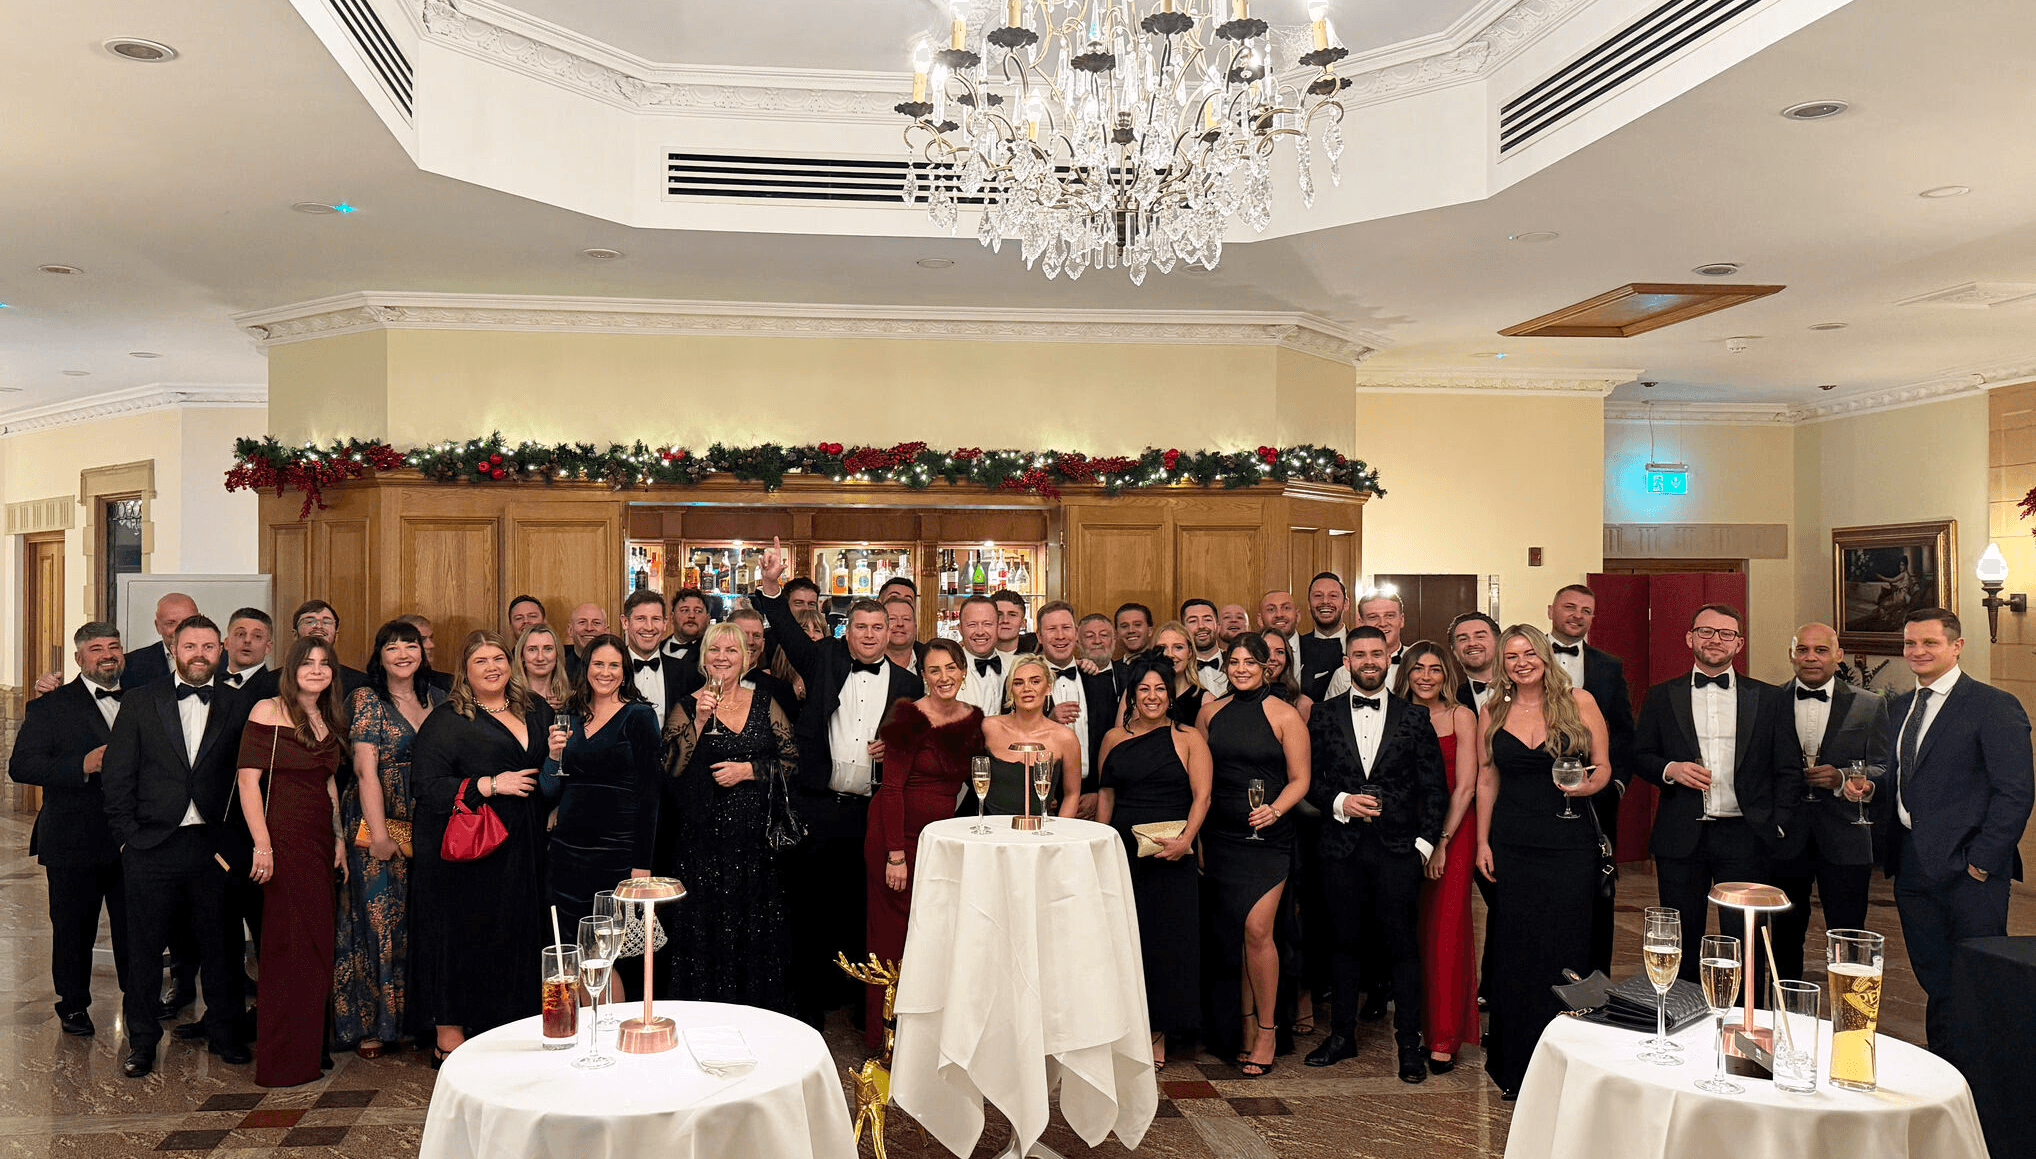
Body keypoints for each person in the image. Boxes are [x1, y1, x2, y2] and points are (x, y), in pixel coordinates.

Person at [752, 538, 922, 1028]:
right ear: (847, 632)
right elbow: (783, 627)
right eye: (861, 627)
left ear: (892, 632)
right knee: (810, 903)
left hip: (870, 810)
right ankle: (809, 1003)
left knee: (859, 905)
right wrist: (771, 583)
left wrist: (896, 748)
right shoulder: (822, 659)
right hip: (817, 803)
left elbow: (916, 746)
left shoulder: (910, 685)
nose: (870, 636)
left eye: (879, 627)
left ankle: (857, 1002)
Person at [101, 614, 252, 1078]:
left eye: (209, 646)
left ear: (220, 650)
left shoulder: (242, 704)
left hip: (214, 847)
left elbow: (252, 781)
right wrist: (129, 838)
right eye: (191, 646)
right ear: (174, 648)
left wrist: (239, 845)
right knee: (144, 951)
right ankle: (142, 1042)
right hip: (151, 845)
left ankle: (226, 1035)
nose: (200, 654)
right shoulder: (142, 701)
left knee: (222, 947)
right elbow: (117, 774)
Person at [1884, 608, 2033, 1056]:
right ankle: (1947, 1067)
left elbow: (2015, 793)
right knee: (1935, 978)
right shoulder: (1898, 708)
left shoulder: (1993, 705)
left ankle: (1985, 1081)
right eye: (1911, 643)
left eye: (1930, 642)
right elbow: (1905, 779)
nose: (1918, 651)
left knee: (1978, 980)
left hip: (1971, 873)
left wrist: (1982, 864)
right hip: (1912, 865)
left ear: (1956, 646)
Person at [1302, 629, 1447, 1083]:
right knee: (1343, 944)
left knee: (1401, 947)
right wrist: (1339, 802)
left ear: (1390, 659)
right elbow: (1309, 778)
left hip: (1398, 850)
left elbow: (1434, 787)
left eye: (1377, 654)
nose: (1369, 661)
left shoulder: (1415, 717)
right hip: (1340, 847)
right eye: (1360, 654)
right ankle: (1342, 1037)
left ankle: (1408, 1044)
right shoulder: (1323, 715)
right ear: (1347, 661)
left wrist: (1423, 845)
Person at [1475, 624, 1612, 1098]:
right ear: (1502, 664)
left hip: (1570, 840)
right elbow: (1486, 780)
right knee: (1516, 953)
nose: (1521, 662)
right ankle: (1516, 1065)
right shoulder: (1492, 709)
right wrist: (1481, 843)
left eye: (1528, 652)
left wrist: (1589, 786)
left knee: (1567, 950)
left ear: (1544, 655)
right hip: (1512, 843)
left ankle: (1568, 1067)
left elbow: (1604, 768)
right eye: (1511, 656)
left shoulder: (1580, 701)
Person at [410, 631, 554, 1063]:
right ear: (465, 672)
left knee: (518, 933)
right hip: (472, 850)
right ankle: (449, 1037)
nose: (492, 667)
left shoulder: (536, 707)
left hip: (526, 842)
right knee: (466, 936)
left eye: (498, 658)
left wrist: (559, 759)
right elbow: (426, 787)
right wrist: (490, 784)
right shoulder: (448, 719)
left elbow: (551, 772)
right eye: (480, 661)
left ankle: (511, 1030)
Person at [1633, 603, 1789, 986]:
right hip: (1681, 831)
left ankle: (1744, 1025)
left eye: (1725, 634)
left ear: (1739, 643)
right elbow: (1640, 755)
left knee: (1745, 940)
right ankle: (1682, 1020)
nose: (1714, 640)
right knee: (1678, 938)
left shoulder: (1768, 699)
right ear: (1689, 638)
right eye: (1705, 631)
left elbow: (1787, 769)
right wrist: (1670, 769)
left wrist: (1778, 824)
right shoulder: (1661, 696)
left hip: (1746, 834)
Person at [663, 622, 798, 1012]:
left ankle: (754, 1012)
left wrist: (749, 770)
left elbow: (791, 761)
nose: (722, 657)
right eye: (714, 650)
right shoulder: (686, 706)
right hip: (701, 839)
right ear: (703, 658)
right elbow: (669, 767)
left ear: (747, 658)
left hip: (755, 840)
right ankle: (704, 1013)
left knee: (754, 923)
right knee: (705, 925)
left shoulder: (764, 703)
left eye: (732, 651)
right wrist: (700, 721)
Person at [1197, 633, 1311, 1078]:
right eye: (1235, 661)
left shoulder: (1285, 715)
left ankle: (1267, 1031)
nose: (1241, 668)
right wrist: (1200, 835)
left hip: (1269, 839)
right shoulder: (1210, 714)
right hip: (1221, 835)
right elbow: (1202, 781)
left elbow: (1301, 779)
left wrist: (1275, 809)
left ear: (1268, 666)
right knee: (1232, 935)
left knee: (1257, 929)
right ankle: (1242, 1030)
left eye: (1251, 661)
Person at [235, 636, 348, 1087]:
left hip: (320, 841)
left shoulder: (328, 717)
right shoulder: (267, 709)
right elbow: (247, 783)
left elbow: (329, 785)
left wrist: (339, 837)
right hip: (282, 838)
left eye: (325, 664)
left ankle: (311, 1048)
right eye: (308, 663)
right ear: (292, 668)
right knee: (286, 946)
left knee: (317, 945)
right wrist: (262, 844)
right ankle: (283, 1061)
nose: (317, 670)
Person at [9, 622, 131, 1037]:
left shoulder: (142, 701)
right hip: (72, 839)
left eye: (113, 646)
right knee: (73, 927)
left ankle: (138, 1002)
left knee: (135, 926)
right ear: (79, 659)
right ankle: (74, 1005)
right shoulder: (49, 707)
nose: (107, 654)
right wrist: (82, 765)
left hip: (133, 838)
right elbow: (21, 767)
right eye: (96, 649)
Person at [867, 640, 983, 1049]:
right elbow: (893, 788)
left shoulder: (975, 720)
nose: (944, 677)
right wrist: (895, 854)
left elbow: (980, 780)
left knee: (934, 933)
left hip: (940, 841)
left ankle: (928, 1032)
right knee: (893, 934)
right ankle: (887, 1036)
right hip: (896, 838)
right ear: (923, 675)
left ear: (963, 670)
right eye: (934, 670)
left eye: (951, 668)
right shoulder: (908, 716)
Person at [335, 618, 443, 1059]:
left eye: (411, 645)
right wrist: (379, 834)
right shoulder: (366, 698)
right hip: (375, 824)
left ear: (423, 652)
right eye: (392, 646)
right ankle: (372, 1026)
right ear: (379, 655)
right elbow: (365, 770)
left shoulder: (436, 698)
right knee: (379, 922)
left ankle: (416, 1019)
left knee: (420, 922)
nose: (403, 654)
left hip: (428, 827)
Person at [1097, 656, 1212, 1070]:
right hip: (1122, 854)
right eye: (1143, 689)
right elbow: (1107, 797)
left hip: (1170, 852)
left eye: (1160, 689)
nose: (1152, 696)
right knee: (1123, 942)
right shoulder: (1112, 738)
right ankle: (1119, 1029)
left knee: (1165, 945)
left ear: (1171, 694)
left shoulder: (1188, 738)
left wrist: (1185, 842)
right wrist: (1099, 848)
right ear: (1131, 694)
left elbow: (1203, 797)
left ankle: (1157, 1031)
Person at [1763, 622, 1890, 983]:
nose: (1811, 657)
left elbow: (1883, 767)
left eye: (1821, 650)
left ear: (1838, 655)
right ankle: (1787, 1016)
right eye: (1803, 649)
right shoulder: (1770, 702)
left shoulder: (1870, 705)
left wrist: (1844, 779)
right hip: (1786, 837)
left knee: (1850, 935)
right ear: (1792, 655)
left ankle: (1852, 1021)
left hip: (1846, 836)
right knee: (1784, 935)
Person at [1396, 642, 1480, 1075]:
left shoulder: (1461, 716)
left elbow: (1466, 787)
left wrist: (1441, 841)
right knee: (1410, 932)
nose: (1426, 676)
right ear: (1406, 673)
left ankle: (1444, 1035)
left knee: (1446, 928)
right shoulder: (1393, 713)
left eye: (1435, 669)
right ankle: (1411, 1026)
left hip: (1452, 830)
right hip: (1401, 832)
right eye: (1418, 669)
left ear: (1448, 674)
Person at [1545, 583, 1638, 973]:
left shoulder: (1608, 666)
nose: (1577, 616)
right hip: (1539, 794)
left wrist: (1613, 784)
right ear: (1551, 609)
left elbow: (1623, 731)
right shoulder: (1523, 657)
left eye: (1586, 610)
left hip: (1595, 796)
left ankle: (1595, 977)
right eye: (1570, 607)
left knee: (1597, 890)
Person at [547, 634, 661, 941]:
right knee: (569, 946)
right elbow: (554, 784)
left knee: (607, 950)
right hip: (567, 850)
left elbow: (650, 795)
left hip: (617, 852)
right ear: (586, 668)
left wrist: (642, 865)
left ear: (625, 671)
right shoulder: (569, 715)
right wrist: (552, 756)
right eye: (598, 664)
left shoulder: (640, 716)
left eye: (614, 665)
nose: (605, 672)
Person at [967, 655, 1084, 818]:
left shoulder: (1065, 738)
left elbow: (1072, 795)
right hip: (990, 832)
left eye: (1035, 681)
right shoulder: (988, 727)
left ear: (1048, 687)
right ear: (1010, 689)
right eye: (1018, 683)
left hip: (1040, 834)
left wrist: (1059, 835)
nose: (1027, 688)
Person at [1037, 601, 1115, 817]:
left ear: (1077, 633)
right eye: (1052, 629)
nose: (1060, 636)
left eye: (1066, 628)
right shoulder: (1024, 680)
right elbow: (1011, 739)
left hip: (1091, 799)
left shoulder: (1099, 681)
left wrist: (1100, 792)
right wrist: (1049, 720)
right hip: (1040, 797)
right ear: (1040, 636)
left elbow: (1111, 742)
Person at [245, 600, 369, 700]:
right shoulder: (267, 683)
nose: (319, 626)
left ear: (336, 634)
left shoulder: (359, 683)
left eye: (326, 622)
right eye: (310, 621)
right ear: (295, 634)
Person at [622, 589, 683, 723]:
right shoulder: (610, 670)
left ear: (665, 623)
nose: (649, 627)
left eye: (656, 619)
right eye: (640, 619)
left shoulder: (684, 672)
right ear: (625, 622)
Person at [114, 592, 198, 688]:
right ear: (158, 627)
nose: (180, 630)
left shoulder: (219, 659)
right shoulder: (131, 665)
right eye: (171, 623)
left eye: (188, 622)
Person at [1296, 573, 1351, 701]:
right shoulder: (1296, 647)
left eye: (1333, 596)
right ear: (1309, 604)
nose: (1325, 601)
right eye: (1318, 596)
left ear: (1346, 603)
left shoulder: (1362, 647)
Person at [955, 596, 1007, 717]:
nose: (980, 632)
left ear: (998, 627)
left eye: (987, 624)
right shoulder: (948, 671)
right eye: (972, 625)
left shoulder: (1014, 665)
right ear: (960, 629)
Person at [1152, 622, 1204, 726]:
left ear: (1190, 652)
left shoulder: (1206, 700)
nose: (1170, 654)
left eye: (1178, 647)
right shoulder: (1139, 693)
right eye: (1163, 648)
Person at [664, 587, 712, 694]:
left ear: (708, 619)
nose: (691, 616)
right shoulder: (656, 650)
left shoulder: (714, 654)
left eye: (698, 611)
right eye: (684, 610)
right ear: (672, 617)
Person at [1447, 612, 1500, 711]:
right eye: (1463, 639)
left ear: (1499, 642)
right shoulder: (1450, 701)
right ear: (1454, 651)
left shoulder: (1523, 689)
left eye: (1480, 637)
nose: (1472, 643)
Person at [1356, 590, 1409, 688]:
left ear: (1401, 620)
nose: (1382, 623)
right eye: (1373, 617)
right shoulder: (1344, 672)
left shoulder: (1420, 662)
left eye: (1389, 616)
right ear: (1361, 623)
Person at [1260, 629, 1314, 721]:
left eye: (1280, 652)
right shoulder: (1238, 698)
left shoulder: (1302, 704)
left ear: (1287, 660)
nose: (1273, 658)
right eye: (1266, 651)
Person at [516, 623, 571, 709]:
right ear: (522, 655)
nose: (540, 657)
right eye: (532, 649)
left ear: (557, 654)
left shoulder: (571, 701)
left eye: (548, 649)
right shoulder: (511, 699)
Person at [1181, 599, 1228, 696]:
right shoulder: (1179, 670)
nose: (1201, 626)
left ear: (1218, 626)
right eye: (1193, 621)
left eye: (1207, 620)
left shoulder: (1234, 662)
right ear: (1183, 629)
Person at [220, 608, 274, 691]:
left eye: (257, 636)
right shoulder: (208, 683)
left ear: (268, 647)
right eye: (240, 634)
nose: (247, 640)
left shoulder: (274, 689)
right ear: (226, 643)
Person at [561, 602, 608, 685]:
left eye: (596, 623)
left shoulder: (618, 663)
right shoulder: (558, 663)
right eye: (582, 622)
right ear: (570, 630)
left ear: (606, 631)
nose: (589, 628)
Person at [991, 589, 1037, 655]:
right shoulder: (974, 654)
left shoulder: (1038, 654)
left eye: (1012, 615)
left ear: (1023, 623)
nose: (1005, 620)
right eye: (999, 614)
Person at [883, 594, 921, 673]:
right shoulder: (866, 663)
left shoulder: (928, 658)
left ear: (915, 627)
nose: (900, 623)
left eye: (906, 619)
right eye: (892, 618)